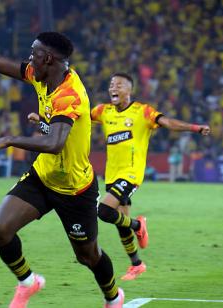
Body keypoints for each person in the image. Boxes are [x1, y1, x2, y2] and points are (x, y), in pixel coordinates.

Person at [0, 25, 124, 307]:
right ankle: (28, 282)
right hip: (42, 177)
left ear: (48, 59)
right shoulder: (40, 76)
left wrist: (10, 139)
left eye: (33, 53)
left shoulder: (70, 95)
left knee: (87, 256)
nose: (29, 59)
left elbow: (55, 143)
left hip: (75, 188)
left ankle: (114, 298)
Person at [90, 73, 210, 280]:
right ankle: (136, 264)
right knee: (121, 222)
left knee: (104, 211)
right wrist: (45, 119)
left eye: (119, 85)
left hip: (131, 173)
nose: (113, 88)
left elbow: (168, 122)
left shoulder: (142, 111)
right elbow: (77, 115)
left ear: (129, 90)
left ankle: (139, 225)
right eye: (111, 85)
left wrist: (195, 128)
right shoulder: (103, 111)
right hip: (111, 173)